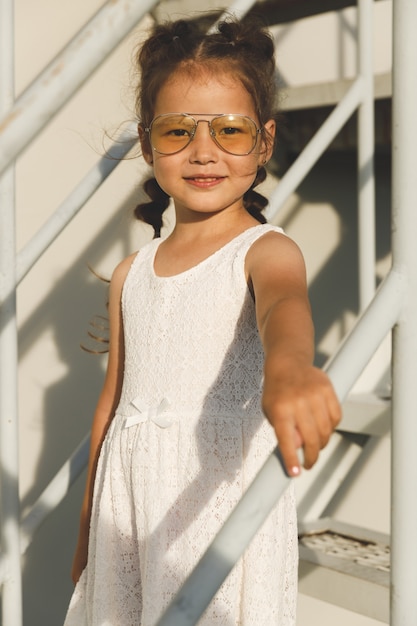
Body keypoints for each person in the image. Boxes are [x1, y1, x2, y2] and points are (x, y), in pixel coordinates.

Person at [64, 16, 341, 626]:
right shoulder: (131, 274)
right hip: (127, 518)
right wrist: (86, 535)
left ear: (264, 141)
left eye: (231, 129)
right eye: (178, 131)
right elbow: (111, 409)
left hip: (214, 510)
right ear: (146, 141)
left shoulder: (265, 250)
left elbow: (284, 307)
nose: (204, 150)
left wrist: (293, 369)